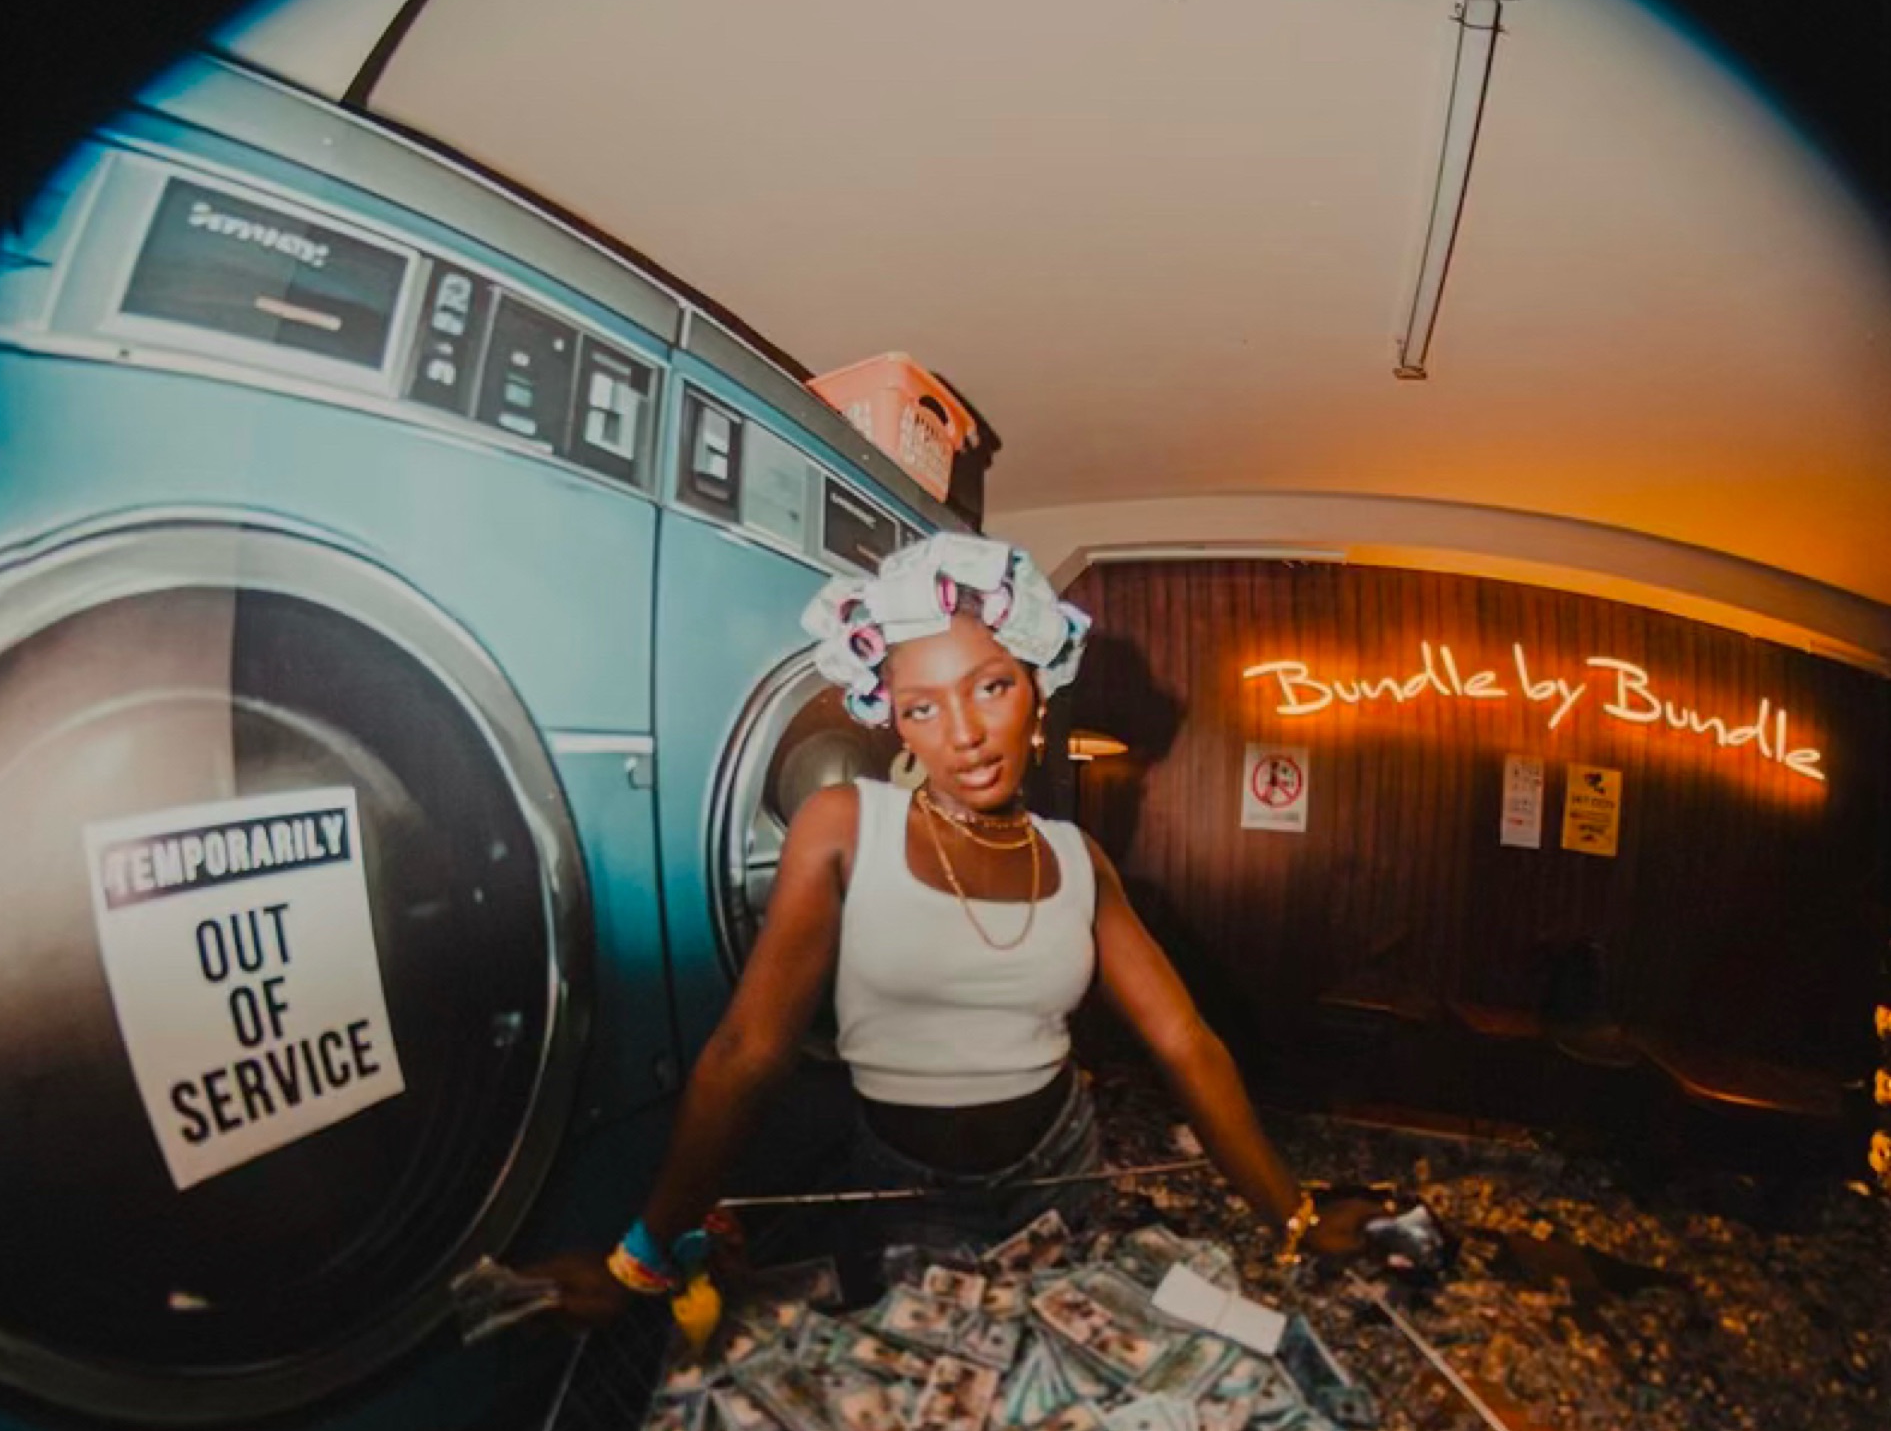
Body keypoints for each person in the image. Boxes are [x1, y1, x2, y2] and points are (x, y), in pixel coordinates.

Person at [519, 530, 1388, 1327]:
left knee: (1048, 1393)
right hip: (904, 1195)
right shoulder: (844, 824)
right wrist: (640, 1259)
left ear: (1037, 690)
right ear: (892, 719)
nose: (964, 734)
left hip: (1061, 1170)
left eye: (991, 687)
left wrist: (1295, 1217)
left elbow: (1185, 1042)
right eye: (922, 707)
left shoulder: (1078, 858)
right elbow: (749, 1051)